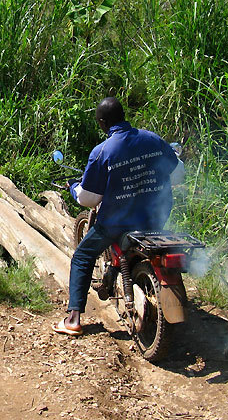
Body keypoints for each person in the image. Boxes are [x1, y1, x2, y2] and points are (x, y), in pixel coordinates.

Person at [53, 97, 184, 336]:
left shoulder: (102, 151)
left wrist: (73, 187)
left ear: (102, 123)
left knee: (82, 257)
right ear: (124, 115)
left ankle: (73, 319)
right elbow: (178, 175)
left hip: (117, 223)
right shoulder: (153, 139)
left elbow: (89, 200)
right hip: (155, 217)